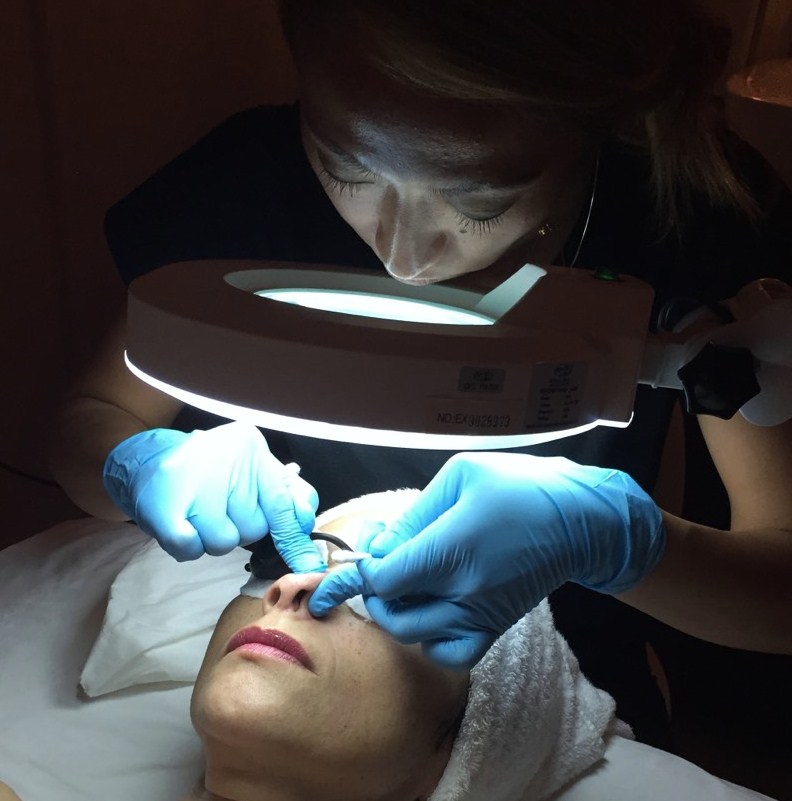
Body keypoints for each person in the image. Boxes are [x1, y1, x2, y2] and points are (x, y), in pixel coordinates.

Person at [48, 0, 792, 784]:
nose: (404, 256)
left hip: (573, 660)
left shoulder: (686, 212)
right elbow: (89, 421)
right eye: (347, 167)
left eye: (480, 200)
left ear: (588, 130)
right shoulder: (239, 186)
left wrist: (613, 539)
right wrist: (136, 463)